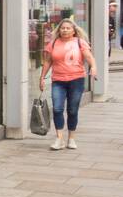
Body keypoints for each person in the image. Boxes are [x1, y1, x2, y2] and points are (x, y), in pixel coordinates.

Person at [39, 17, 97, 150]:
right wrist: (42, 77)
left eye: (68, 28)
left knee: (72, 110)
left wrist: (93, 67)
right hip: (58, 80)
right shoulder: (53, 43)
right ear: (59, 30)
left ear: (73, 31)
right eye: (62, 28)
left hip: (76, 80)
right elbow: (48, 61)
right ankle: (59, 139)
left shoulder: (79, 42)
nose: (64, 30)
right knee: (57, 108)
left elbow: (89, 57)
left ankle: (71, 138)